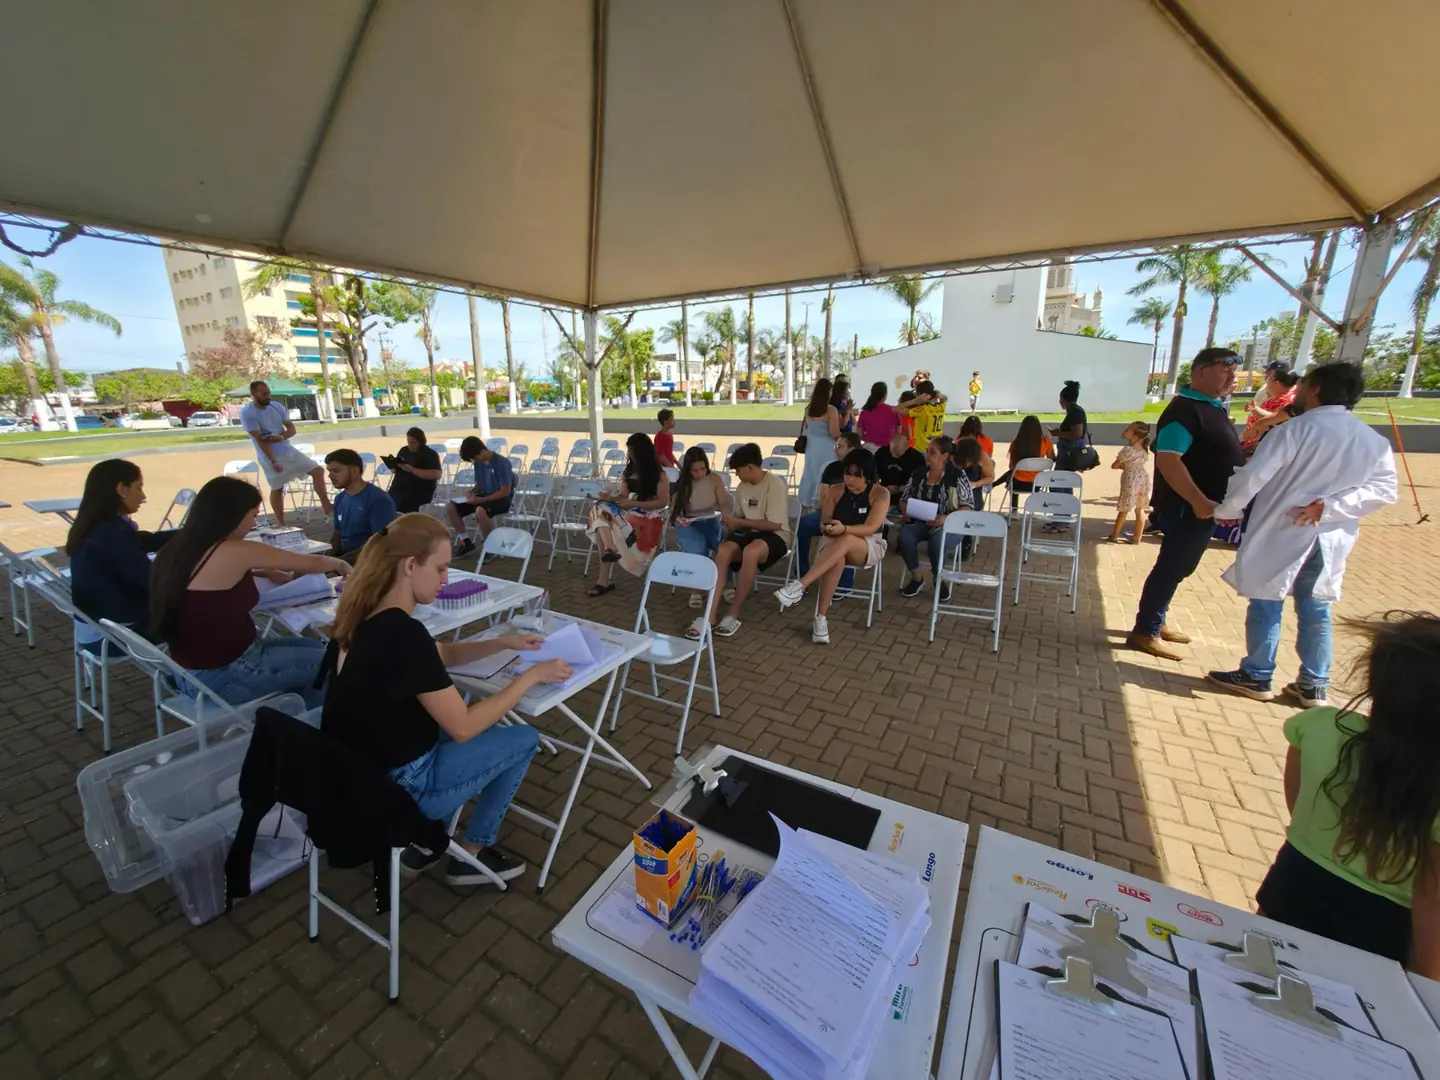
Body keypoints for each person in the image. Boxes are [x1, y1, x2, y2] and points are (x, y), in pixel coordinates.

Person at [321, 513, 570, 887]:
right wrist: (533, 675)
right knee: (523, 738)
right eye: (440, 569)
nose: (444, 581)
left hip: (359, 774)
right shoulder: (404, 635)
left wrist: (505, 642)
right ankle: (471, 853)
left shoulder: (363, 617)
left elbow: (447, 655)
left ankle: (424, 845)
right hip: (401, 788)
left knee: (464, 726)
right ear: (409, 566)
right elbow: (464, 726)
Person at [1252, 612, 1440, 972]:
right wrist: (1429, 983)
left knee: (1260, 976)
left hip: (1294, 885)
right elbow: (1431, 894)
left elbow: (1300, 804)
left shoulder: (1317, 728)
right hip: (1383, 927)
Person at [1205, 362, 1397, 704]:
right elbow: (1383, 488)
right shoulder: (1371, 440)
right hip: (1330, 535)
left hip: (1282, 530)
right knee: (1316, 609)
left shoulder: (1293, 431)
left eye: (1305, 383)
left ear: (1318, 389)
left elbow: (1254, 477)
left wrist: (1227, 511)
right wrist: (1332, 508)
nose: (1300, 388)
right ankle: (1313, 682)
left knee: (1267, 601)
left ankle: (1257, 673)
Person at [150, 476, 352, 707]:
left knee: (319, 647)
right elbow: (310, 563)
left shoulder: (178, 548)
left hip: (192, 671)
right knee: (336, 662)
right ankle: (314, 725)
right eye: (253, 516)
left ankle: (302, 712)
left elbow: (209, 586)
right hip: (226, 674)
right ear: (234, 515)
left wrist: (259, 572)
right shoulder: (236, 550)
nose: (254, 524)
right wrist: (342, 565)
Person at [1127, 347, 1244, 660]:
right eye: (1225, 370)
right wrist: (1197, 499)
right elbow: (1169, 460)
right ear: (1201, 372)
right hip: (1188, 507)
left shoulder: (1211, 408)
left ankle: (1157, 619)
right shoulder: (1185, 412)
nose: (1232, 377)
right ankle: (1146, 630)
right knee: (1173, 567)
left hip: (1203, 507)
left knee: (1179, 567)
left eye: (1234, 372)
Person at [776, 449, 889, 644]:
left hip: (869, 544)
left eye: (856, 475)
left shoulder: (880, 494)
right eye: (847, 473)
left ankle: (801, 585)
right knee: (837, 559)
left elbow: (871, 527)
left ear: (867, 474)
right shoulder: (836, 490)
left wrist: (844, 528)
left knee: (845, 539)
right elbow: (824, 520)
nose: (850, 479)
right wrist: (827, 526)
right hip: (833, 542)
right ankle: (820, 620)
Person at [689, 444, 789, 640]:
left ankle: (733, 613)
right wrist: (731, 525)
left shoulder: (774, 484)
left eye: (738, 470)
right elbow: (741, 518)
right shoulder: (743, 487)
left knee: (752, 551)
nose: (737, 475)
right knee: (723, 550)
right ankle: (710, 615)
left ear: (750, 467)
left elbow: (775, 524)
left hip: (777, 535)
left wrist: (739, 522)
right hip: (750, 532)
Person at [66, 459, 175, 640]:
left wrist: (190, 532)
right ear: (121, 489)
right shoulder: (110, 533)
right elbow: (151, 582)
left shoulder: (95, 525)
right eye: (138, 488)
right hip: (111, 635)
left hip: (91, 626)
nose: (143, 496)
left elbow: (144, 541)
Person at [586, 432, 671, 596]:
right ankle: (609, 548)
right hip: (627, 510)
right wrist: (611, 498)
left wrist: (633, 503)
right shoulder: (629, 470)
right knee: (599, 507)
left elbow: (662, 502)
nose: (630, 454)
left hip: (647, 514)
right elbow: (623, 496)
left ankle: (604, 577)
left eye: (632, 451)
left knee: (601, 523)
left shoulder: (659, 474)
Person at [239, 380, 331, 526]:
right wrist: (273, 460)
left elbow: (292, 429)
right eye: (264, 394)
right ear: (253, 394)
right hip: (268, 455)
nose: (268, 396)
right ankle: (281, 523)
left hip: (288, 450)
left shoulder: (277, 406)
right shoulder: (247, 412)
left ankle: (327, 508)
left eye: (268, 393)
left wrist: (281, 437)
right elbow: (260, 439)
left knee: (317, 470)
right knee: (278, 487)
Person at [897, 436, 968, 599]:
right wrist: (906, 509)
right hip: (920, 521)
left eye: (932, 452)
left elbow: (967, 506)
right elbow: (903, 499)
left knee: (937, 541)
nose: (926, 455)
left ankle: (939, 578)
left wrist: (945, 518)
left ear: (944, 456)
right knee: (905, 537)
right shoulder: (919, 473)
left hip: (949, 524)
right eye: (927, 451)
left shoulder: (957, 475)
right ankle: (917, 578)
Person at [795, 431, 862, 578]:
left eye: (840, 446)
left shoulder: (864, 470)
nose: (835, 449)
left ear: (852, 449)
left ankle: (845, 582)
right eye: (836, 446)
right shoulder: (831, 468)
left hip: (854, 517)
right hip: (829, 513)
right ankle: (802, 573)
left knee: (846, 533)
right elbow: (823, 496)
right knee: (803, 525)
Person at [672, 446, 728, 606]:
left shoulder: (714, 479)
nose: (699, 473)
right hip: (689, 523)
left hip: (710, 519)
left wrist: (725, 514)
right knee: (698, 548)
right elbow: (673, 512)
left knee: (725, 545)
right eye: (695, 470)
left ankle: (726, 583)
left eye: (703, 469)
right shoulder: (682, 484)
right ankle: (697, 589)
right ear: (688, 470)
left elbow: (723, 501)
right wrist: (679, 520)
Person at [325, 449, 398, 561]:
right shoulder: (339, 498)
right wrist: (326, 558)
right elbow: (337, 534)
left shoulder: (378, 500)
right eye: (329, 471)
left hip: (368, 561)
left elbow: (380, 544)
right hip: (344, 559)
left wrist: (338, 563)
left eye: (336, 471)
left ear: (354, 471)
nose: (330, 476)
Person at [445, 436, 513, 555]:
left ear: (482, 451)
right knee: (451, 507)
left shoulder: (501, 463)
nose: (474, 461)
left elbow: (505, 491)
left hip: (501, 499)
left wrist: (481, 499)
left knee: (480, 511)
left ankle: (491, 548)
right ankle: (465, 541)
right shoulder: (479, 463)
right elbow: (480, 483)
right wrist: (472, 491)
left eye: (474, 458)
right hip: (483, 496)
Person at [798, 378, 842, 508]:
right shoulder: (831, 410)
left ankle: (807, 500)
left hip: (812, 446)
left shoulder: (809, 409)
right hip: (827, 446)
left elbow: (807, 427)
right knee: (825, 473)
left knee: (811, 471)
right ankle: (824, 501)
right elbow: (834, 433)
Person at [1241, 363, 1300, 456]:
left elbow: (1277, 419)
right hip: (1253, 444)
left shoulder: (1288, 400)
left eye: (1268, 378)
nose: (1266, 381)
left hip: (1262, 449)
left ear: (1277, 383)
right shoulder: (1275, 397)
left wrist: (1255, 411)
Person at [1108, 422, 1152, 544]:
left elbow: (1114, 466)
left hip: (1130, 480)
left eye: (1128, 429)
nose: (1125, 430)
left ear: (1135, 435)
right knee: (1140, 508)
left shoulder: (1128, 450)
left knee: (1124, 508)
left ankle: (1114, 535)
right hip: (1143, 479)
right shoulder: (1143, 449)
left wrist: (1124, 466)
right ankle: (1137, 537)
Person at [384, 427, 443, 514]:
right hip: (398, 489)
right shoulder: (404, 450)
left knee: (397, 508)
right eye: (408, 442)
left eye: (413, 442)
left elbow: (437, 474)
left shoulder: (430, 454)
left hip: (418, 492)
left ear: (421, 442)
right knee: (383, 503)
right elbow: (396, 471)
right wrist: (392, 466)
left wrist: (413, 470)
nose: (410, 445)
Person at [1004, 415, 1053, 511]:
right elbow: (1051, 459)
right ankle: (1034, 509)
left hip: (1018, 483)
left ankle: (1014, 509)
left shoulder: (1016, 444)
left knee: (1012, 478)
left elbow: (1011, 466)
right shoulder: (1046, 442)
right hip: (1038, 483)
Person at [876, 424, 924, 502]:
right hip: (884, 490)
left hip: (906, 493)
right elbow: (874, 473)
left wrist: (900, 488)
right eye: (892, 452)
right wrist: (878, 485)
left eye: (898, 453)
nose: (894, 457)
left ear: (907, 447)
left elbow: (918, 483)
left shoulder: (917, 458)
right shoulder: (881, 453)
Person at [955, 420, 995, 510]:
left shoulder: (981, 455)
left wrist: (974, 484)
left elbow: (990, 477)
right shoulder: (956, 448)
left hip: (973, 493)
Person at [1050, 380, 1088, 470]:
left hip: (1069, 450)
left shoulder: (1075, 412)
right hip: (1069, 449)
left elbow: (1077, 434)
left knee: (1060, 477)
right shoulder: (1075, 410)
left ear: (1063, 399)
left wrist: (1058, 434)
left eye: (1060, 399)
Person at [900, 379, 947, 448]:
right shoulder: (941, 406)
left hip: (921, 448)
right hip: (936, 446)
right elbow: (945, 398)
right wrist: (938, 395)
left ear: (920, 395)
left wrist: (914, 401)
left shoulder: (921, 410)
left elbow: (898, 409)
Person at [856, 381, 899, 450]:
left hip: (870, 448)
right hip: (889, 449)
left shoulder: (865, 411)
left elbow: (859, 435)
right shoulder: (894, 410)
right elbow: (898, 434)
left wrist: (869, 438)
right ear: (885, 394)